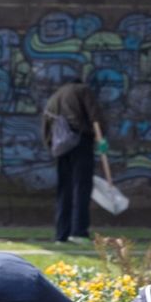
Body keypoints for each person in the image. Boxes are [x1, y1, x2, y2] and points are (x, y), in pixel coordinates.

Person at [41, 81, 108, 245]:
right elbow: (95, 117)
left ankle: (61, 234)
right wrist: (101, 139)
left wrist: (51, 146)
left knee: (64, 189)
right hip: (80, 142)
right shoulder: (83, 90)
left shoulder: (55, 97)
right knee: (82, 187)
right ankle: (79, 232)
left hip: (61, 147)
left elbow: (46, 126)